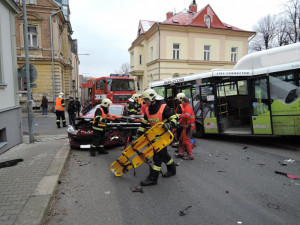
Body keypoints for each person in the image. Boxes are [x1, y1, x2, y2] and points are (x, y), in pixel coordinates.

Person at [136, 89, 177, 186]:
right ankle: (172, 170)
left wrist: (169, 124)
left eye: (146, 99)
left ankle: (153, 178)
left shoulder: (163, 108)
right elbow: (144, 123)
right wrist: (139, 134)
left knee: (157, 157)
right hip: (154, 137)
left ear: (151, 98)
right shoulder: (147, 110)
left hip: (164, 137)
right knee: (164, 155)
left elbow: (174, 118)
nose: (145, 102)